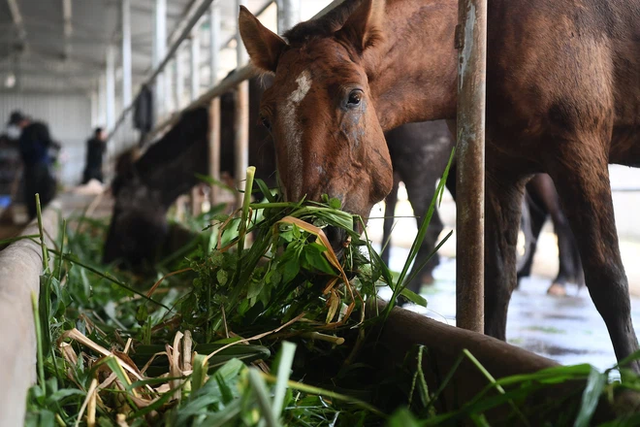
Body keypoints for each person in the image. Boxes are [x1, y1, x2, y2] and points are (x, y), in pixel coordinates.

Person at [7, 111, 60, 220]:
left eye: (17, 124)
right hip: (37, 166)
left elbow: (45, 143)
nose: (18, 127)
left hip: (37, 166)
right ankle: (37, 219)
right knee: (38, 193)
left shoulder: (33, 130)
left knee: (35, 193)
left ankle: (37, 218)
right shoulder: (29, 131)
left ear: (22, 121)